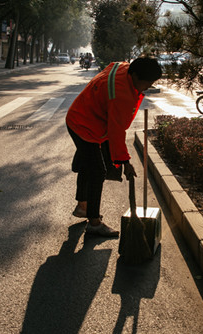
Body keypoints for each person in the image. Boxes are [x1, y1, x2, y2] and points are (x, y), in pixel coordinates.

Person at [66, 57, 162, 237]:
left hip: (80, 116)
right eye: (147, 83)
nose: (148, 87)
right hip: (85, 126)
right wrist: (125, 162)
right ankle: (94, 223)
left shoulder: (122, 67)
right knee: (97, 171)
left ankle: (82, 207)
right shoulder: (121, 95)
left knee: (89, 165)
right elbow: (116, 132)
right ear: (134, 75)